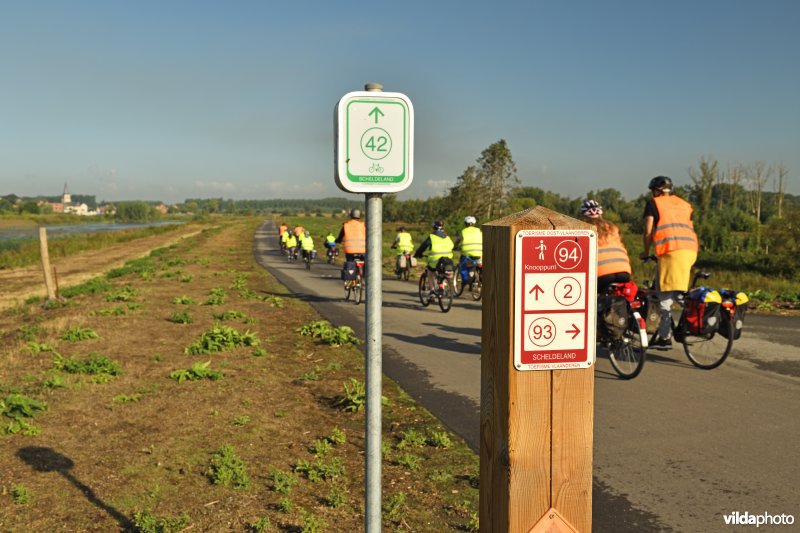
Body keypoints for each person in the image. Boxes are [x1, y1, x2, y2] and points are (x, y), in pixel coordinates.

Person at [639, 175, 699, 347]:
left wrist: (645, 251)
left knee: (665, 294)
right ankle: (690, 318)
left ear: (657, 190)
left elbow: (648, 231)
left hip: (671, 251)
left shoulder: (654, 203)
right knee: (677, 288)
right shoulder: (684, 204)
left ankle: (665, 337)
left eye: (652, 191)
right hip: (690, 250)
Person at [580, 200, 631, 293]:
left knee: (588, 296)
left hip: (602, 273)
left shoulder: (583, 229)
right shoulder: (612, 228)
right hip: (624, 270)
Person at [414, 220, 455, 290]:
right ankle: (444, 284)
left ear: (433, 228)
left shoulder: (431, 237)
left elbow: (423, 246)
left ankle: (432, 291)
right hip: (447, 259)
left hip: (435, 260)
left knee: (430, 272)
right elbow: (452, 246)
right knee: (445, 271)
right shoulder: (447, 237)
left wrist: (417, 254)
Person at [454, 215, 482, 287]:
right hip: (479, 253)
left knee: (463, 266)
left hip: (467, 253)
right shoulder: (479, 231)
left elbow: (458, 241)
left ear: (465, 223)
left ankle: (466, 281)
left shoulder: (464, 231)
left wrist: (454, 247)